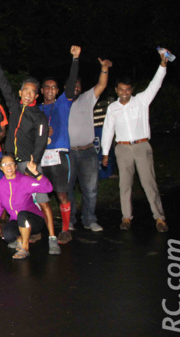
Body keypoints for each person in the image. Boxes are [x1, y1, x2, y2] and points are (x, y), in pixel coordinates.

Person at [0, 40, 57, 254]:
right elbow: (3, 84)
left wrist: (34, 162)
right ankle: (17, 233)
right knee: (10, 200)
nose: (27, 94)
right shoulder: (14, 106)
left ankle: (52, 237)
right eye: (24, 90)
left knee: (42, 200)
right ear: (20, 92)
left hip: (28, 164)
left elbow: (42, 140)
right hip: (11, 163)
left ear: (36, 96)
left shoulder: (39, 116)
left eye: (32, 92)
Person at [101, 51, 170, 232]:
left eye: (128, 89)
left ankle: (159, 218)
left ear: (131, 90)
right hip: (122, 149)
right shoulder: (113, 108)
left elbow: (155, 85)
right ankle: (126, 217)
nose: (125, 92)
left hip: (141, 146)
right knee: (125, 185)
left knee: (149, 183)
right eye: (121, 89)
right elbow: (108, 130)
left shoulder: (141, 101)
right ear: (116, 90)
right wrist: (105, 152)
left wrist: (162, 65)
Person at [38, 45, 80, 244]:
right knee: (40, 194)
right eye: (47, 87)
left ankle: (65, 229)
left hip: (60, 155)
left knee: (61, 192)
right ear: (41, 90)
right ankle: (40, 228)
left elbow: (71, 85)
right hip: (40, 157)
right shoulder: (36, 109)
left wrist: (74, 60)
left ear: (57, 90)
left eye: (54, 87)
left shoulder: (63, 102)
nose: (50, 90)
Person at [67, 58, 113, 232]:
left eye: (79, 85)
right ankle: (69, 220)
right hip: (68, 153)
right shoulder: (61, 103)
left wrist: (104, 69)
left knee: (90, 189)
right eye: (73, 85)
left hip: (88, 152)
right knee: (68, 189)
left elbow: (101, 85)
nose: (76, 87)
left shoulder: (87, 98)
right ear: (67, 87)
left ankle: (89, 219)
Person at [0, 154, 53, 259]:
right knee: (8, 235)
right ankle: (20, 238)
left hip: (34, 220)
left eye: (11, 164)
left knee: (22, 215)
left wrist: (36, 173)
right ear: (1, 168)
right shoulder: (0, 185)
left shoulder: (25, 181)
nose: (9, 167)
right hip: (17, 220)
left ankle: (25, 248)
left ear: (15, 166)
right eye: (5, 164)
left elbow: (48, 188)